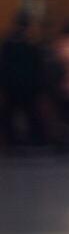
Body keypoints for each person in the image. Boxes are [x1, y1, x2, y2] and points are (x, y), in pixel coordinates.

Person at [0, 12, 45, 147]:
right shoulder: (31, 44)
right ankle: (35, 139)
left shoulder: (8, 43)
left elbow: (3, 65)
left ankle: (11, 140)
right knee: (31, 113)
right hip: (29, 86)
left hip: (11, 85)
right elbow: (37, 66)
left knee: (10, 114)